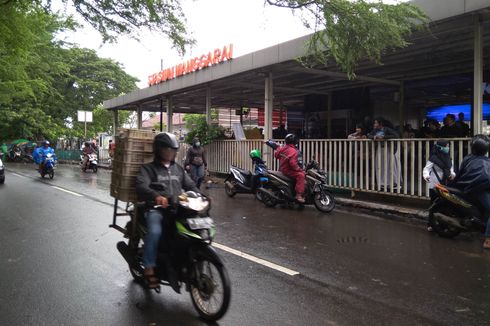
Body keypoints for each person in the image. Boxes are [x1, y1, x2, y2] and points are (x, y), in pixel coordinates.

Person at [135, 132, 200, 288]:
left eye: (173, 150)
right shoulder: (148, 169)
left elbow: (190, 185)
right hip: (156, 209)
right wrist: (157, 196)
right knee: (155, 232)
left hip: (177, 209)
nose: (170, 153)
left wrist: (202, 195)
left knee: (192, 230)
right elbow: (141, 186)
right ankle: (149, 267)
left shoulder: (178, 169)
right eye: (167, 150)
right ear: (158, 150)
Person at [452, 135, 490, 249]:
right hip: (478, 190)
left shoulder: (468, 158)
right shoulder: (486, 162)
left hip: (469, 188)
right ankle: (488, 239)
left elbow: (460, 174)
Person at [423, 140, 455, 232]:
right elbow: (426, 169)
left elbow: (452, 170)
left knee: (445, 204)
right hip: (434, 184)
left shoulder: (449, 158)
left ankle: (442, 223)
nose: (447, 148)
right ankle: (430, 224)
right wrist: (426, 176)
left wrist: (452, 175)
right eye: (446, 146)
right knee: (434, 204)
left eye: (448, 146)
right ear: (440, 147)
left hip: (446, 184)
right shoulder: (433, 158)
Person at [367, 118, 401, 190]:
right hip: (380, 150)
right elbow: (369, 135)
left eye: (376, 123)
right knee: (380, 166)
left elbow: (396, 135)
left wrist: (384, 137)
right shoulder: (375, 131)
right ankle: (382, 182)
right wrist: (375, 137)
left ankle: (393, 182)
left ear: (380, 124)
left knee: (390, 166)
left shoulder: (387, 129)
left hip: (388, 149)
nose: (374, 124)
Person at [274, 133, 306, 203]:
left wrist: (278, 147)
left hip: (282, 169)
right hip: (288, 170)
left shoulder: (283, 148)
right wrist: (300, 170)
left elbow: (276, 155)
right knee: (301, 175)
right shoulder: (293, 151)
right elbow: (293, 164)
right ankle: (298, 195)